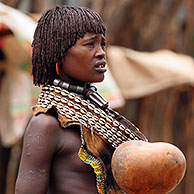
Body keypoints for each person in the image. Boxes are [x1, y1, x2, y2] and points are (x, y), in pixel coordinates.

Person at [15, 5, 147, 194]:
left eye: (103, 44)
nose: (101, 52)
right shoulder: (46, 124)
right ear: (58, 52)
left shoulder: (100, 117)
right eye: (90, 44)